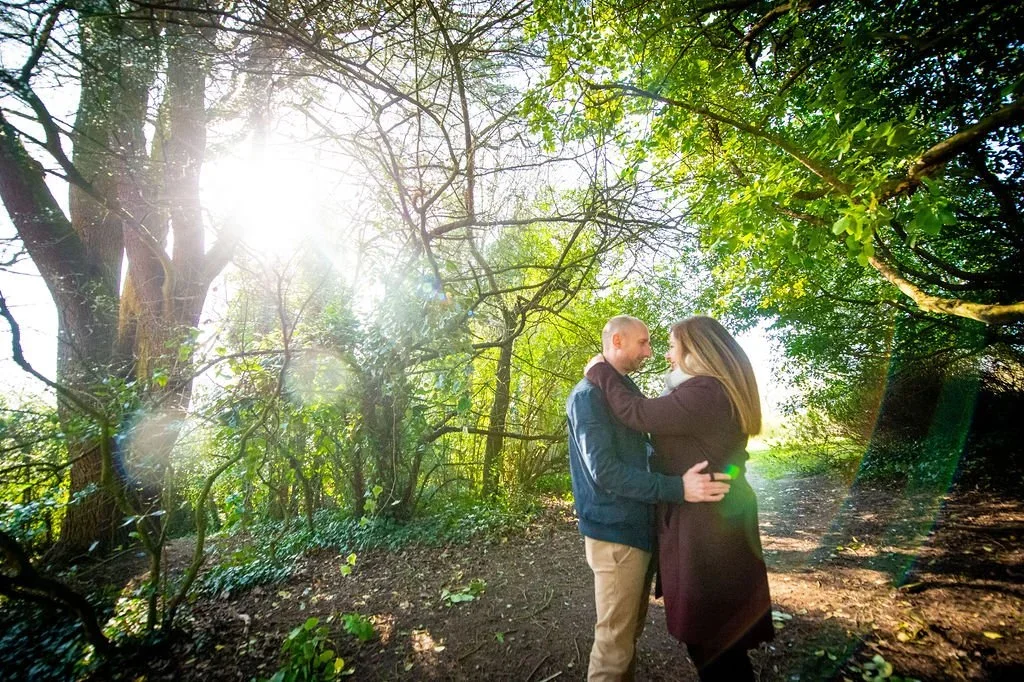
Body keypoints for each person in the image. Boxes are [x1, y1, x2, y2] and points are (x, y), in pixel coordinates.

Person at [585, 315, 774, 682]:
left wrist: (601, 371)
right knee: (717, 640)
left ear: (696, 350)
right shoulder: (714, 390)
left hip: (708, 531)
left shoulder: (706, 391)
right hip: (713, 520)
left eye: (672, 346)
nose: (667, 355)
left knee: (714, 642)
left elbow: (638, 413)